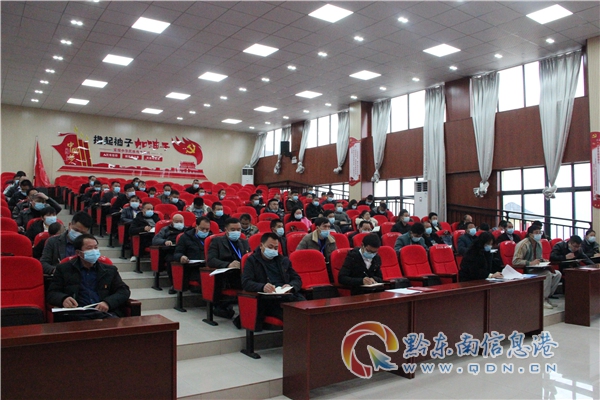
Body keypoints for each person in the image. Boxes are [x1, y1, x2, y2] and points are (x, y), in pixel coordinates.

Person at [46, 234, 130, 321]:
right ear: (78, 253)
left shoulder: (109, 270)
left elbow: (123, 291)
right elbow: (52, 293)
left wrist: (108, 303)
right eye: (89, 248)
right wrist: (63, 299)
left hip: (103, 313)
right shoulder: (64, 269)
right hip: (76, 315)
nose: (94, 251)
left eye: (96, 247)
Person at [241, 232, 305, 330]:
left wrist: (291, 286)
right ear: (261, 245)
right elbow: (246, 282)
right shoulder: (252, 261)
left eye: (276, 248)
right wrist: (262, 287)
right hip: (269, 300)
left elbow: (297, 279)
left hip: (287, 296)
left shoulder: (283, 260)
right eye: (270, 247)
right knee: (293, 316)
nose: (273, 250)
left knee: (308, 311)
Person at [207, 218, 250, 321]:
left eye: (238, 229)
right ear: (226, 230)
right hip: (227, 275)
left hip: (243, 272)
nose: (236, 232)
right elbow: (211, 260)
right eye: (233, 229)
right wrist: (228, 264)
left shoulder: (244, 242)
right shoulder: (217, 241)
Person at [513, 226, 562, 309]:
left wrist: (543, 260)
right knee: (547, 274)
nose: (539, 234)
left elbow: (538, 258)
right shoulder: (523, 244)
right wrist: (530, 263)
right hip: (527, 269)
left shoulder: (539, 243)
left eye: (540, 232)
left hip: (538, 268)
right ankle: (542, 300)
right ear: (530, 234)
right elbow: (515, 261)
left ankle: (547, 297)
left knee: (557, 274)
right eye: (536, 233)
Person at [173, 217, 213, 292]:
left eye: (207, 229)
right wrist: (181, 257)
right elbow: (177, 253)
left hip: (210, 266)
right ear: (196, 226)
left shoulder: (212, 238)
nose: (205, 231)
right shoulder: (185, 237)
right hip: (193, 268)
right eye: (202, 229)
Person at [152, 214, 188, 294]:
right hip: (171, 251)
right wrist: (165, 242)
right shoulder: (165, 229)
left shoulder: (187, 230)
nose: (179, 223)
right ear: (172, 222)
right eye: (177, 222)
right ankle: (174, 284)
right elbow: (155, 240)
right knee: (170, 260)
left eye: (181, 221)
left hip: (185, 251)